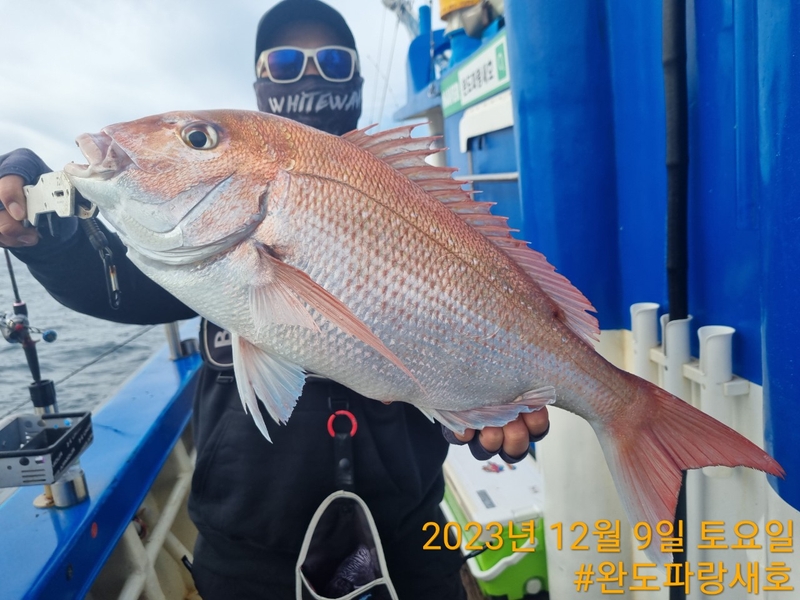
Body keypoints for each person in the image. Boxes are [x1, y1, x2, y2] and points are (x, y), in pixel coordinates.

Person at [0, 1, 549, 598]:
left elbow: (475, 313)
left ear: (357, 81)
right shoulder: (193, 250)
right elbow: (110, 284)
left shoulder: (419, 202)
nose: (309, 74)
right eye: (285, 61)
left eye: (333, 61)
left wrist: (489, 401)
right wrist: (46, 235)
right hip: (247, 552)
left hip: (412, 542)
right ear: (260, 84)